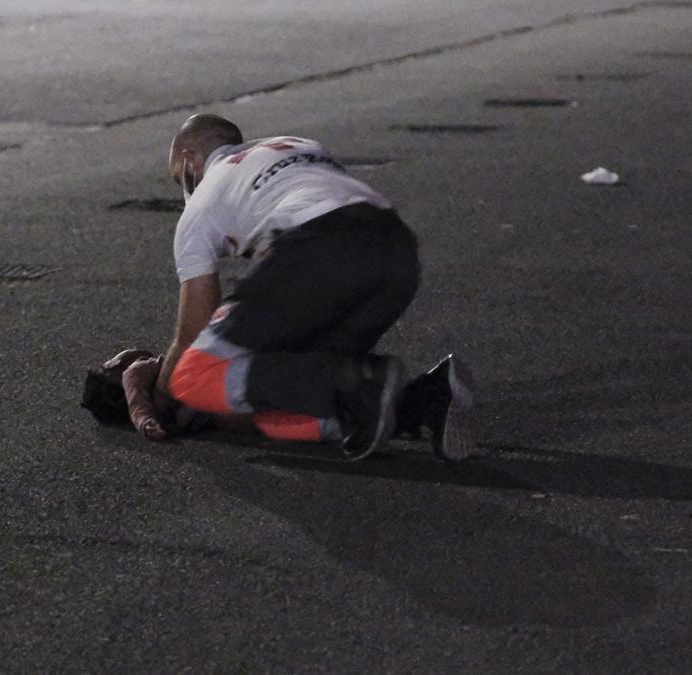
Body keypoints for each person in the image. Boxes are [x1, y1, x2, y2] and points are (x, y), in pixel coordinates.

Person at [150, 113, 476, 461]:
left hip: (320, 251)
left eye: (179, 179)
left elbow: (192, 337)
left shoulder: (201, 205)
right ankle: (423, 399)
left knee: (192, 376)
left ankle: (363, 381)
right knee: (285, 407)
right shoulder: (297, 145)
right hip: (396, 253)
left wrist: (158, 400)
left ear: (189, 160)